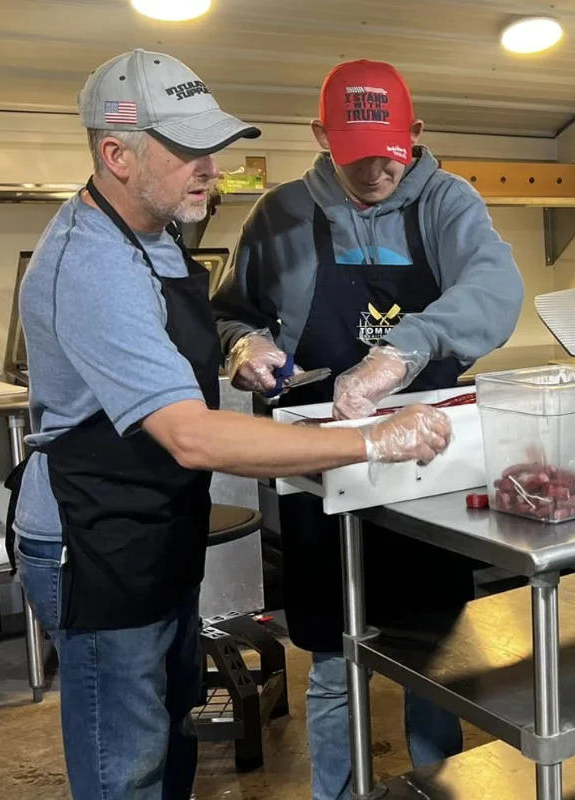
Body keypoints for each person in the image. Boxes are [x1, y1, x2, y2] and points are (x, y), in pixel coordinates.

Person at [6, 49, 452, 800]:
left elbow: (185, 349)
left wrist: (240, 347)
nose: (211, 168)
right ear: (115, 154)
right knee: (126, 766)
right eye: (186, 150)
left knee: (168, 735)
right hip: (93, 543)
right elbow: (194, 435)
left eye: (210, 147)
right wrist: (372, 439)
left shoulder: (153, 234)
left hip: (151, 529)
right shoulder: (90, 265)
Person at [213, 58, 524, 800]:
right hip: (319, 468)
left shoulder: (449, 202)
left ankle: (435, 787)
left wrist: (399, 353)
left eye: (390, 153)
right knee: (330, 657)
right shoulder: (280, 214)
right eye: (356, 157)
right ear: (322, 136)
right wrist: (243, 346)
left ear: (413, 134)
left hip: (427, 465)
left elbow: (494, 289)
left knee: (434, 652)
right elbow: (231, 310)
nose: (376, 172)